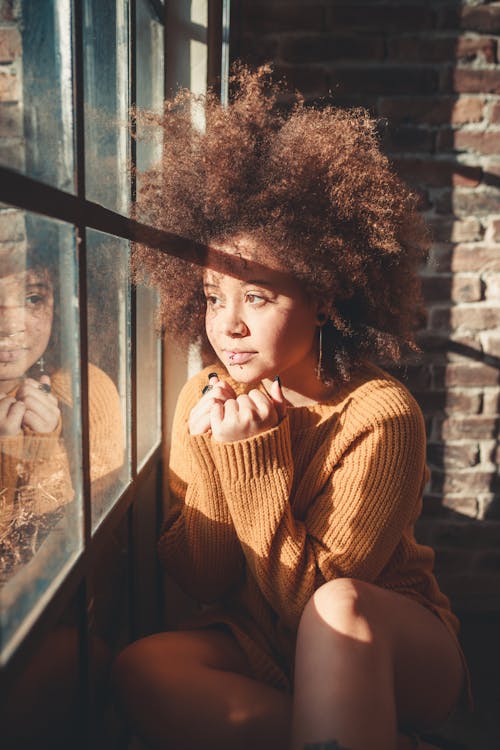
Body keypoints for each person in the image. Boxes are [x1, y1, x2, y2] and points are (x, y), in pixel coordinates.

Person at [113, 66, 469, 750]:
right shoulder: (206, 397)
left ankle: (362, 723)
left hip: (382, 645)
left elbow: (319, 604)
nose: (229, 325)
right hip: (257, 638)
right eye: (215, 297)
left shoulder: (381, 416)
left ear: (325, 296)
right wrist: (222, 455)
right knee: (143, 671)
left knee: (338, 605)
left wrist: (252, 454)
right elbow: (204, 577)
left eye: (259, 297)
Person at [0, 225, 125, 577]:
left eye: (32, 298)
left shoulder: (84, 390)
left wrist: (39, 450)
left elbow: (75, 561)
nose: (11, 325)